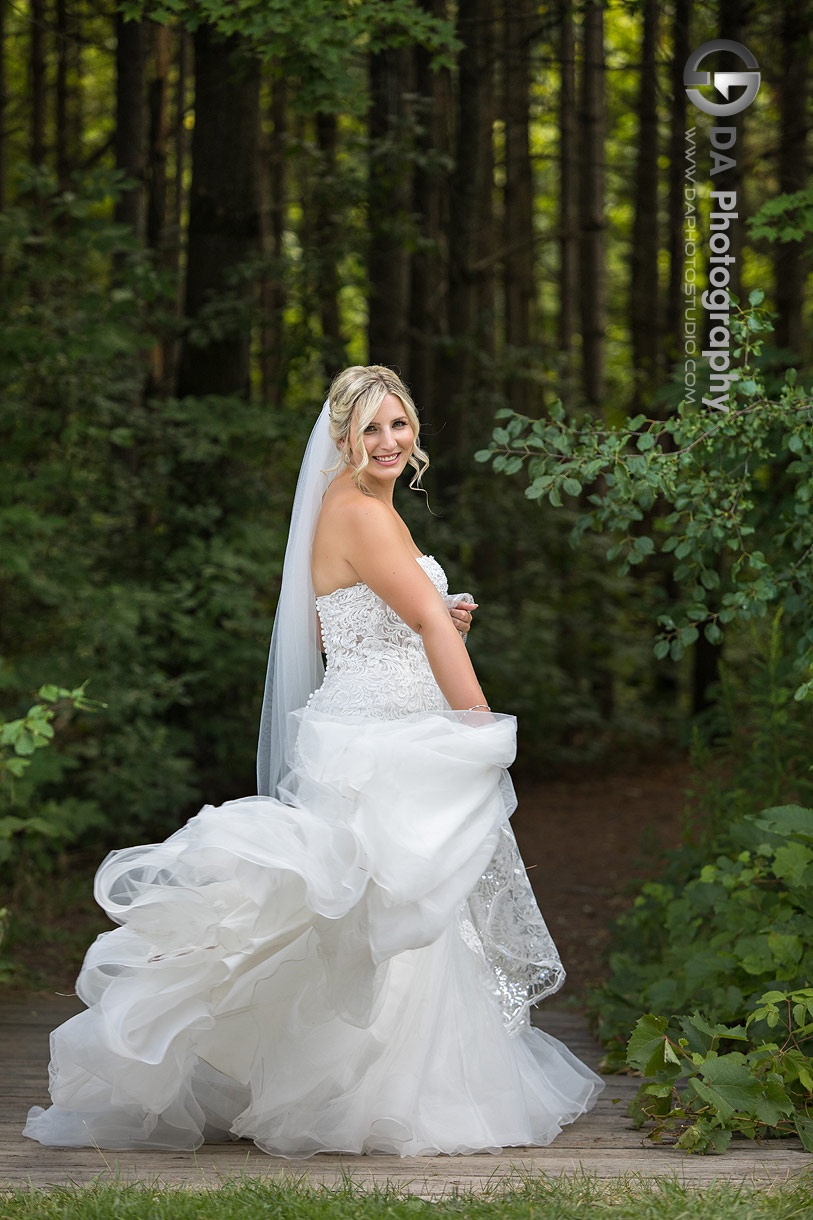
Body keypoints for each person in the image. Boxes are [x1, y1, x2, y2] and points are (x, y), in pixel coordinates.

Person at [24, 365, 603, 1157]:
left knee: (393, 909)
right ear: (341, 437)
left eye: (399, 424)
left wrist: (438, 620)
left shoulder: (358, 509)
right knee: (389, 909)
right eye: (370, 428)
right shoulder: (361, 515)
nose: (389, 441)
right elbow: (424, 632)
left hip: (376, 725)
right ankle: (382, 1098)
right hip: (382, 739)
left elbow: (346, 630)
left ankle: (393, 1086)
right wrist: (480, 728)